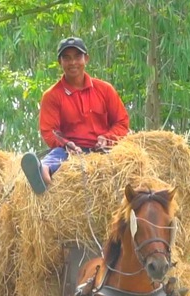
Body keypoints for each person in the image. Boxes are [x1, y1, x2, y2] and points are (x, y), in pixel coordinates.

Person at [21, 36, 130, 194]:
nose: (72, 62)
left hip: (104, 149)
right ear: (60, 62)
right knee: (54, 158)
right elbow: (49, 130)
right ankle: (41, 172)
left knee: (128, 166)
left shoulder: (105, 90)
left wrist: (107, 138)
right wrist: (67, 144)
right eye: (67, 58)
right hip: (69, 151)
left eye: (77, 57)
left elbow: (121, 122)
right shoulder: (52, 95)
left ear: (86, 58)